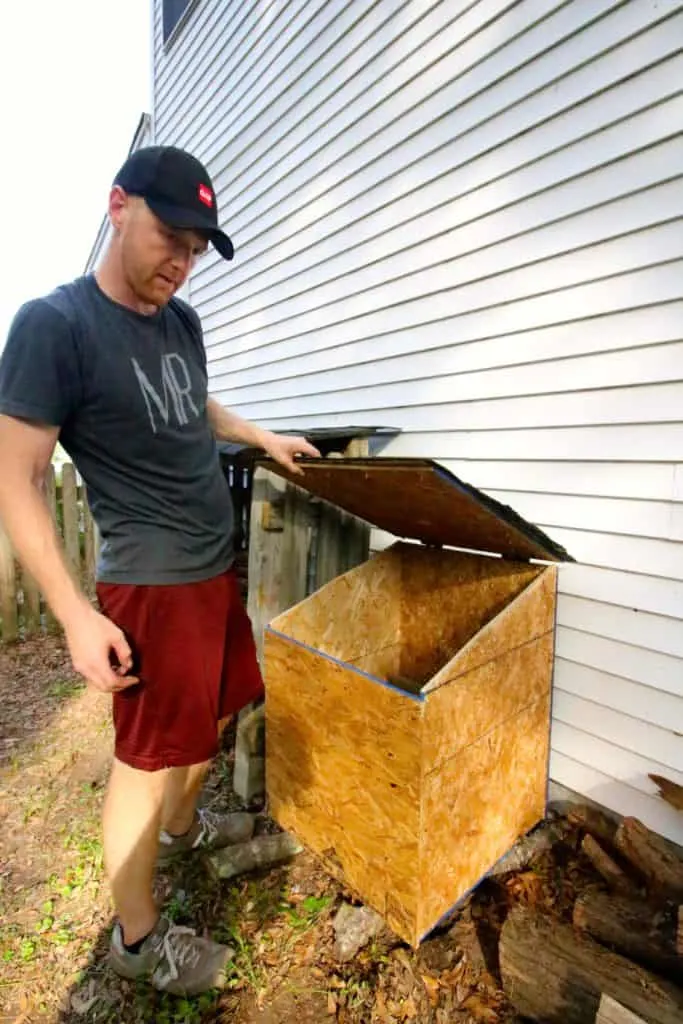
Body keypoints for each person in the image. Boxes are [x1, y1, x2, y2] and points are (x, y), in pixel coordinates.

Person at [0, 145, 320, 996]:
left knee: (208, 724)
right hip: (149, 585)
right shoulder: (54, 326)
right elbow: (17, 478)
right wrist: (74, 614)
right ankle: (138, 941)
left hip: (213, 570)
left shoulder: (180, 321)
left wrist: (258, 437)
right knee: (143, 763)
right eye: (168, 236)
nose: (179, 261)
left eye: (195, 247)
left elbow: (193, 400)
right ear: (118, 206)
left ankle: (184, 834)